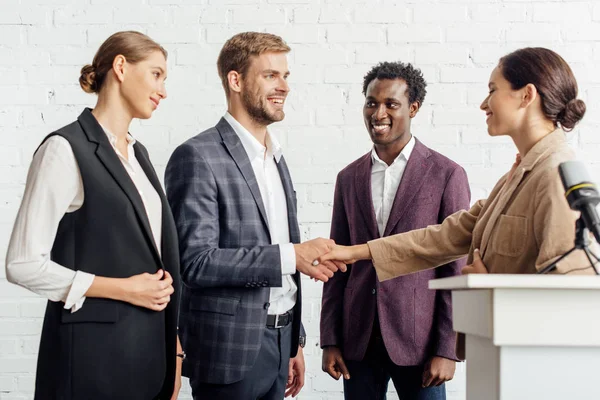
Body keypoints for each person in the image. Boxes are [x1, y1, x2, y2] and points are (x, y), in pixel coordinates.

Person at [164, 32, 345, 400]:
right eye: (271, 75)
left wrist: (294, 341)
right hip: (228, 352)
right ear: (235, 80)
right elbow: (195, 262)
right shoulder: (197, 156)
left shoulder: (277, 158)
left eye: (286, 76)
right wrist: (291, 255)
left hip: (281, 344)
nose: (284, 87)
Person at [5, 31, 182, 400]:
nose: (163, 90)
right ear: (121, 66)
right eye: (156, 74)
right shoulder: (63, 149)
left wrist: (174, 353)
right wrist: (123, 289)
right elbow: (22, 264)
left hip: (148, 362)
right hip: (90, 364)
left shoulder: (139, 155)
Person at [321, 47, 594, 285]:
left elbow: (572, 289)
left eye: (492, 90)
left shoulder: (556, 174)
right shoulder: (517, 176)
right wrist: (357, 252)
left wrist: (490, 290)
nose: (483, 104)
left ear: (526, 96)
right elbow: (448, 234)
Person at [320, 61, 470, 400]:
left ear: (413, 107)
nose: (378, 112)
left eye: (391, 104)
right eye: (371, 102)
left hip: (419, 344)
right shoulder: (349, 178)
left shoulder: (447, 174)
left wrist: (448, 348)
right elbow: (336, 264)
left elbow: (454, 267)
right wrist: (330, 338)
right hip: (357, 342)